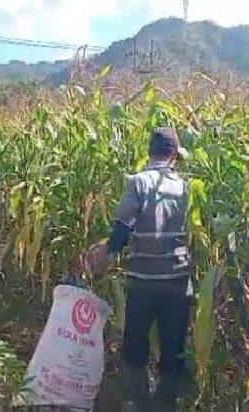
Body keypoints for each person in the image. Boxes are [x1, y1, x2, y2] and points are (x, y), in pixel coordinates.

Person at [87, 127, 192, 412]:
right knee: (173, 348)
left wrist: (106, 250)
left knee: (135, 345)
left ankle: (138, 401)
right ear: (173, 156)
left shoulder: (138, 183)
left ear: (150, 152)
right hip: (178, 282)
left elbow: (125, 226)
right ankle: (166, 405)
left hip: (144, 281)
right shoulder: (184, 187)